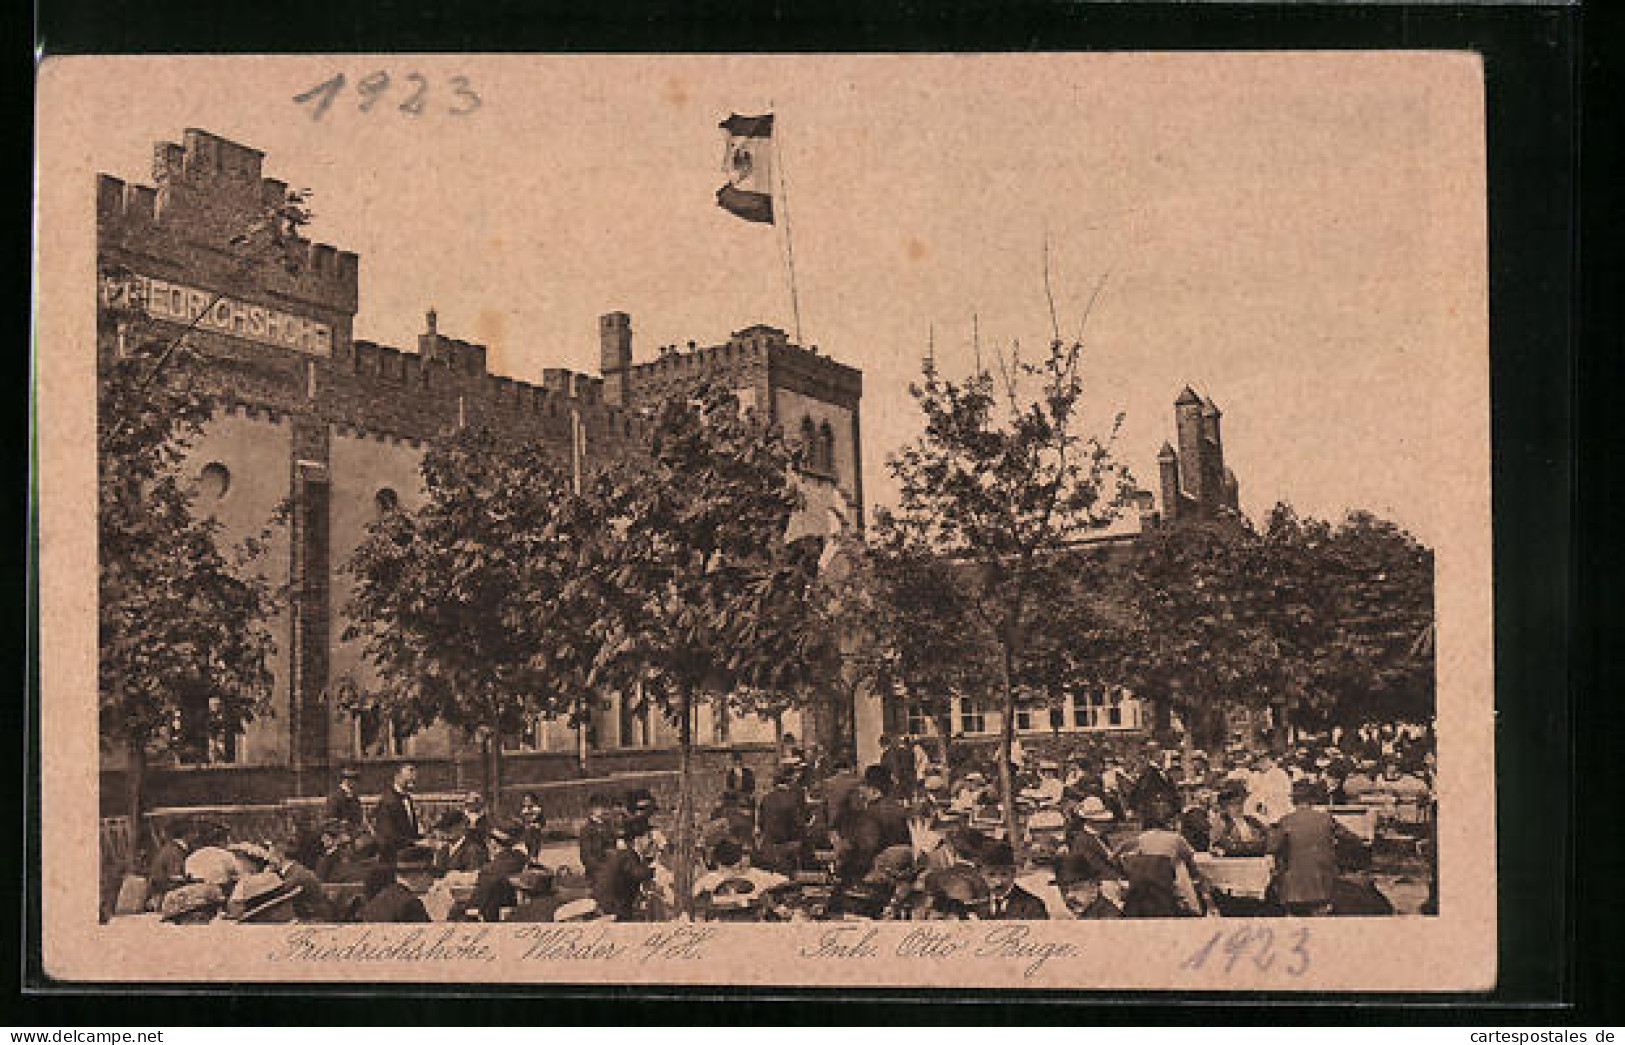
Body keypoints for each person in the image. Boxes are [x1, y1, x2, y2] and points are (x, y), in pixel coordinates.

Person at [1267, 783, 1364, 916]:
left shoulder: (1285, 821)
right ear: (1313, 800)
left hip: (1294, 887)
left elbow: (1272, 847)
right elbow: (1352, 839)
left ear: (1293, 801)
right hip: (1323, 883)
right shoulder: (1326, 819)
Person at [1115, 810, 1210, 918]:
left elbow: (1120, 854)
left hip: (1143, 885)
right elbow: (1189, 859)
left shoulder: (1141, 838)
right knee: (1181, 868)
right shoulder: (1176, 838)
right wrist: (1197, 878)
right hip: (1163, 881)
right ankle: (1195, 909)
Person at [593, 819, 656, 921]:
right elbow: (637, 874)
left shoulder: (628, 854)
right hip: (613, 908)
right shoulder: (628, 856)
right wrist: (655, 869)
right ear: (637, 840)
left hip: (615, 904)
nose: (651, 841)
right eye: (648, 837)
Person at [355, 844, 436, 923]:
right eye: (431, 874)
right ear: (417, 875)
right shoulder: (411, 905)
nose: (432, 883)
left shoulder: (383, 897)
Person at [756, 767, 809, 873]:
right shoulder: (791, 800)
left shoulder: (766, 798)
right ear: (788, 783)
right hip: (786, 845)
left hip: (769, 844)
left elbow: (761, 822)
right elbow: (797, 825)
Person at [980, 841, 1048, 920]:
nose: (998, 882)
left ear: (1013, 872)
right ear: (982, 874)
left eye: (1004, 874)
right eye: (991, 875)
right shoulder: (976, 905)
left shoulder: (1033, 906)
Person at [373, 763, 423, 862]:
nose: (412, 783)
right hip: (392, 857)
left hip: (407, 854)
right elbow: (389, 835)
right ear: (397, 777)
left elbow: (409, 830)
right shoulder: (388, 801)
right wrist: (416, 843)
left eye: (413, 780)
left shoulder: (407, 798)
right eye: (408, 779)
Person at [1210, 781, 1270, 857]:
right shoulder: (1221, 823)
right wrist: (1252, 845)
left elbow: (1266, 841)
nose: (1239, 808)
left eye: (1240, 803)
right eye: (1233, 804)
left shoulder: (1252, 821)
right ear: (1225, 806)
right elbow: (1229, 847)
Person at [146, 821, 193, 906]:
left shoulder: (169, 848)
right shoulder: (175, 851)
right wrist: (190, 881)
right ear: (186, 836)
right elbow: (175, 877)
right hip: (164, 892)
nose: (194, 836)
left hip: (161, 888)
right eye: (192, 833)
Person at [1246, 752, 1294, 825]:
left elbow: (1287, 791)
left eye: (1264, 760)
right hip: (1259, 804)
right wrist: (1259, 802)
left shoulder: (1280, 773)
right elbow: (1251, 791)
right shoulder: (1254, 776)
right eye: (1259, 761)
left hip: (1279, 803)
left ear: (1270, 760)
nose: (1262, 763)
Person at [577, 793, 616, 879]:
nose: (604, 810)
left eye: (604, 807)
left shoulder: (609, 826)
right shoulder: (586, 830)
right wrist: (602, 869)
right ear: (592, 810)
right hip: (597, 873)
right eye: (600, 807)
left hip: (613, 868)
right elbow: (586, 856)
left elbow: (614, 847)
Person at [880, 734, 917, 801]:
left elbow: (895, 765)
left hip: (894, 777)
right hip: (898, 776)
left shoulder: (891, 753)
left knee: (899, 794)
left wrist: (895, 776)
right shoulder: (891, 752)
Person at [518, 792, 548, 860]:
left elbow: (543, 822)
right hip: (527, 834)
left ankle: (534, 859)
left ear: (534, 801)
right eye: (525, 801)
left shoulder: (538, 810)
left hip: (535, 834)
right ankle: (530, 860)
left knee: (535, 848)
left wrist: (539, 825)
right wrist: (524, 825)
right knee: (528, 847)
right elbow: (522, 822)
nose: (526, 802)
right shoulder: (524, 811)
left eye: (528, 800)